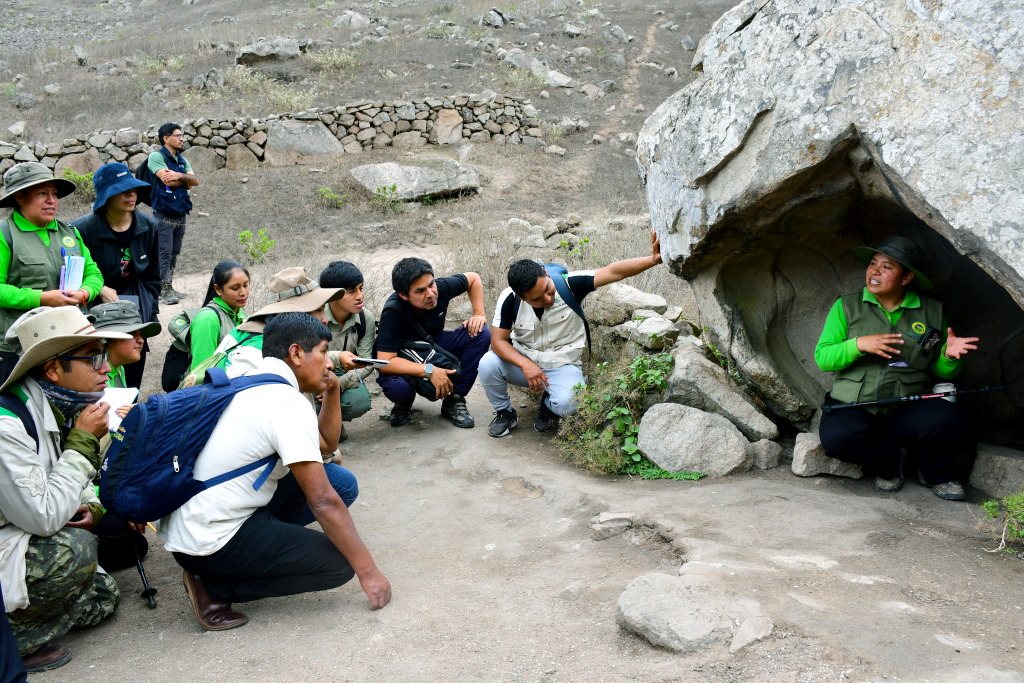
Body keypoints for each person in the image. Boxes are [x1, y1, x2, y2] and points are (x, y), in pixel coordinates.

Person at [158, 313, 391, 630]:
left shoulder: (251, 374)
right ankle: (212, 586)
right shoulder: (285, 403)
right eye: (323, 352)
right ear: (296, 353)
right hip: (206, 540)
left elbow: (323, 445)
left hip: (192, 518)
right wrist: (369, 572)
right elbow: (322, 501)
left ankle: (247, 554)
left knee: (339, 483)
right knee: (338, 565)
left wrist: (332, 386)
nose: (328, 362)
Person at [0, 306, 129, 672]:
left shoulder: (53, 404)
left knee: (104, 598)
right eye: (93, 358)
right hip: (16, 533)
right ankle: (14, 642)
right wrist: (83, 442)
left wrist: (92, 503)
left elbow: (59, 478)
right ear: (53, 369)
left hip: (19, 528)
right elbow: (42, 517)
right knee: (76, 550)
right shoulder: (7, 425)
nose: (106, 368)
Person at [815, 236, 979, 500]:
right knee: (836, 440)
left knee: (952, 418)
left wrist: (949, 356)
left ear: (906, 279)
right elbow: (823, 358)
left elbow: (940, 371)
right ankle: (890, 464)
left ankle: (936, 474)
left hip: (905, 406)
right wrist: (859, 344)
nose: (874, 271)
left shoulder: (930, 315)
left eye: (887, 267)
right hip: (856, 404)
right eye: (872, 264)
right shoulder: (846, 305)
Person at [481, 231, 663, 437]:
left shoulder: (571, 285)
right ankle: (505, 412)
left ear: (545, 273)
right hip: (525, 366)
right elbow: (498, 342)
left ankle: (550, 403)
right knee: (488, 364)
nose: (548, 300)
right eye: (538, 299)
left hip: (562, 366)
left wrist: (653, 260)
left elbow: (613, 272)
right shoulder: (509, 299)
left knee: (571, 405)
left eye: (548, 290)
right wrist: (525, 364)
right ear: (522, 298)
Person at [0, 163, 104, 384]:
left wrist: (84, 293)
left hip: (66, 338)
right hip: (18, 346)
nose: (52, 200)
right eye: (42, 193)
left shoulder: (69, 233)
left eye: (54, 194)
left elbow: (94, 274)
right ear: (19, 197)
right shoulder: (5, 234)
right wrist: (43, 298)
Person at [72, 163, 162, 389]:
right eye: (122, 190)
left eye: (133, 189)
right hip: (96, 309)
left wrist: (148, 307)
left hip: (133, 307)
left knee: (131, 373)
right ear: (106, 197)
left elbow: (153, 276)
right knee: (98, 373)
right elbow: (71, 276)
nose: (131, 194)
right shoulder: (81, 229)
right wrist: (100, 289)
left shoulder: (148, 226)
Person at [375, 257, 489, 429]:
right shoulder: (393, 312)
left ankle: (455, 399)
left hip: (435, 344)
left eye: (431, 284)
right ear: (403, 295)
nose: (430, 294)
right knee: (398, 389)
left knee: (481, 334)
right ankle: (405, 401)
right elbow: (385, 362)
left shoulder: (439, 288)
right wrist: (429, 371)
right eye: (420, 291)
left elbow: (474, 278)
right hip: (404, 355)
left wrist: (479, 314)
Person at [319, 261, 375, 441]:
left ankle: (333, 422)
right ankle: (316, 427)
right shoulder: (315, 316)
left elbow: (366, 362)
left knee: (359, 402)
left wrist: (339, 383)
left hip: (343, 374)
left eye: (361, 288)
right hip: (314, 372)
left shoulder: (365, 318)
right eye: (352, 291)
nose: (360, 296)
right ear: (332, 295)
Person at [147, 122, 198, 305]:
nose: (182, 138)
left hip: (180, 213)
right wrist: (183, 178)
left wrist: (178, 176)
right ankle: (162, 289)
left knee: (174, 251)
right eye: (178, 135)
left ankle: (168, 285)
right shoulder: (156, 157)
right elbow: (165, 179)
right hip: (163, 214)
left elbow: (194, 182)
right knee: (164, 252)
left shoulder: (182, 160)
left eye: (181, 135)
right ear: (166, 138)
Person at [188, 261, 249, 372]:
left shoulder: (243, 315)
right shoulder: (207, 319)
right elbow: (201, 372)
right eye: (235, 288)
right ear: (218, 289)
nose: (243, 292)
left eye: (246, 285)